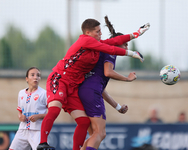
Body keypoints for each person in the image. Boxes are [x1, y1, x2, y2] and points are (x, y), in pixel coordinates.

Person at [37, 18, 150, 150]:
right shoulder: (86, 40)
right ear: (88, 32)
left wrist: (136, 33)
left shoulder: (95, 44)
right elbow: (111, 50)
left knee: (84, 122)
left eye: (100, 31)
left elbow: (114, 41)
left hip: (74, 86)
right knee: (56, 109)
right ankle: (42, 143)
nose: (100, 33)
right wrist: (132, 54)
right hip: (60, 78)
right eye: (97, 31)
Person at [78, 16, 143, 150]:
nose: (126, 47)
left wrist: (118, 107)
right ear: (117, 43)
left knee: (93, 135)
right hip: (92, 92)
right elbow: (108, 72)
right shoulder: (110, 52)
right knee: (100, 133)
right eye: (125, 44)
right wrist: (127, 78)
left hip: (84, 91)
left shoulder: (102, 51)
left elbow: (101, 88)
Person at [9, 67, 47, 150]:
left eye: (38, 75)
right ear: (27, 79)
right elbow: (20, 110)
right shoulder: (21, 93)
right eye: (32, 75)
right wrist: (20, 116)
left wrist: (38, 116)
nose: (35, 77)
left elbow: (52, 113)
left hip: (37, 131)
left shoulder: (44, 93)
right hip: (22, 129)